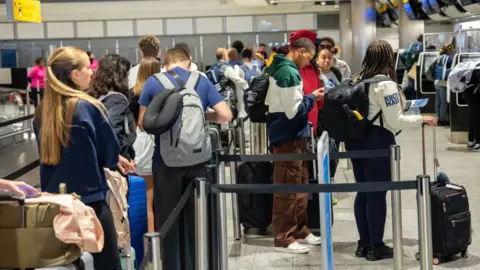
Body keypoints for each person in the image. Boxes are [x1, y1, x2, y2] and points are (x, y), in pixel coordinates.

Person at [33, 46, 134, 270]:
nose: (92, 73)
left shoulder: (42, 112)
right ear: (74, 74)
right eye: (88, 68)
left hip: (57, 207)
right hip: (91, 205)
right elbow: (109, 155)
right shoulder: (88, 107)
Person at [138, 48, 232, 270]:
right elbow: (225, 115)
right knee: (197, 221)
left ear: (166, 64)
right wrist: (204, 114)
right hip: (198, 161)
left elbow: (143, 123)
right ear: (188, 62)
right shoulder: (202, 80)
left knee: (168, 222)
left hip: (166, 163)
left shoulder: (153, 82)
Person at [345, 40, 437, 261]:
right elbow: (395, 121)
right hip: (377, 141)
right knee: (377, 193)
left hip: (355, 141)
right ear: (388, 58)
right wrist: (422, 118)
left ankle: (363, 243)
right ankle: (376, 246)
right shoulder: (385, 84)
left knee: (364, 192)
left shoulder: (356, 79)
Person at [265, 37, 324, 254]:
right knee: (288, 189)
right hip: (288, 137)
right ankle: (284, 238)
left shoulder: (279, 67)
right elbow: (293, 110)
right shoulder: (288, 73)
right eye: (308, 57)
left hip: (294, 136)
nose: (308, 63)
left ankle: (299, 230)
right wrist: (311, 97)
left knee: (299, 185)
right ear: (299, 51)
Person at [129, 56, 160, 232]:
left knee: (143, 202)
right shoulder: (161, 95)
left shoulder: (132, 95)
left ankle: (145, 246)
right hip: (157, 144)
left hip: (138, 144)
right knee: (155, 202)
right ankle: (155, 245)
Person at [89, 54, 136, 162]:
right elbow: (113, 132)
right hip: (117, 161)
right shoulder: (117, 99)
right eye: (126, 75)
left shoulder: (95, 95)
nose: (128, 79)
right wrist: (126, 158)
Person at [213, 48, 248, 116]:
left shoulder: (214, 66)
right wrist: (248, 86)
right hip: (226, 97)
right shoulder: (226, 68)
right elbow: (238, 80)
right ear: (225, 56)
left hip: (216, 95)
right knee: (227, 120)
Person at [434, 44, 455, 126]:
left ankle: (438, 119)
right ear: (449, 50)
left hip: (436, 81)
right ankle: (442, 120)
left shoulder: (439, 56)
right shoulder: (449, 58)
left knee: (438, 102)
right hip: (443, 82)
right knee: (444, 102)